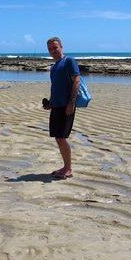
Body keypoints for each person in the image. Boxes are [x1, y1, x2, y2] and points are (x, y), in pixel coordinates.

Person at [43, 37, 81, 179]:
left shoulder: (69, 61)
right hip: (57, 106)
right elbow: (55, 87)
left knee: (61, 137)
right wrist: (50, 103)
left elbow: (76, 80)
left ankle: (68, 168)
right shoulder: (53, 67)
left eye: (55, 47)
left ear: (61, 47)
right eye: (50, 49)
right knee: (58, 138)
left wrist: (71, 103)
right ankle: (65, 166)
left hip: (67, 106)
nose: (53, 51)